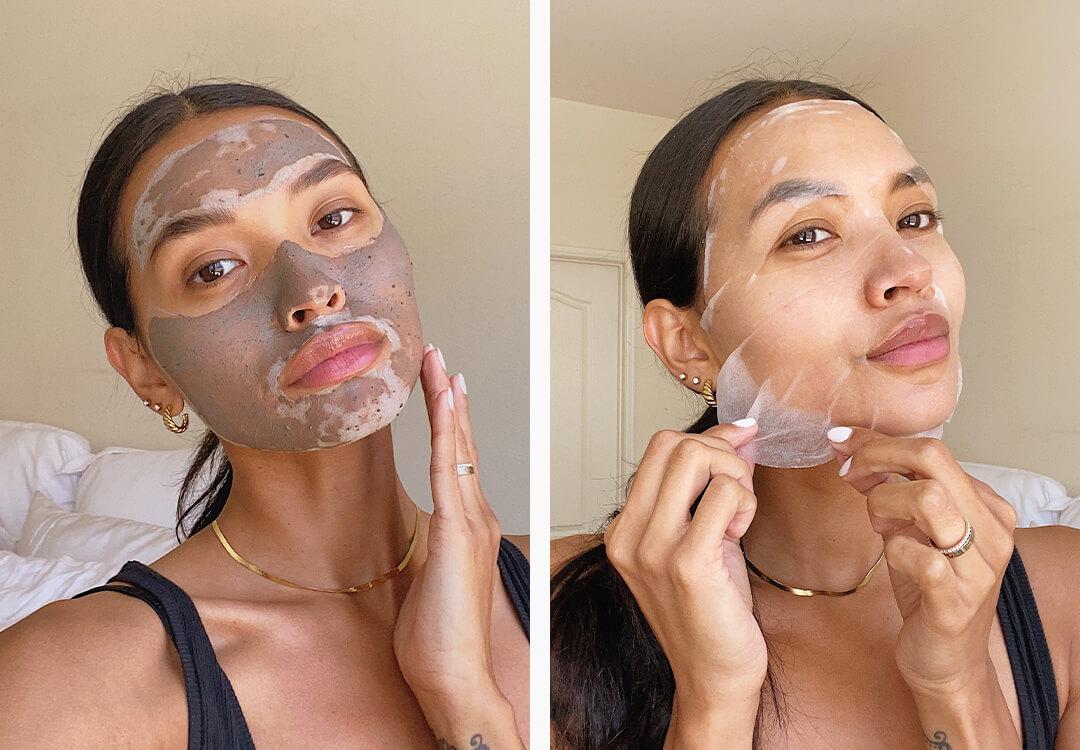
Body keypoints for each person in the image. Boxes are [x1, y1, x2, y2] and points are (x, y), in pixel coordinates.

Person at [551, 78, 1079, 748]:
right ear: (689, 344)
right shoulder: (549, 613)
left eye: (913, 218)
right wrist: (714, 700)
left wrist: (960, 685)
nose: (908, 268)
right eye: (808, 234)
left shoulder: (1068, 593)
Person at [0, 82, 529, 748]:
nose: (312, 290)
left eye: (333, 218)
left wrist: (465, 695)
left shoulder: (597, 592)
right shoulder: (55, 692)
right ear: (144, 368)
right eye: (216, 266)